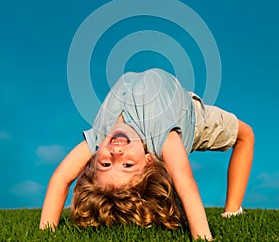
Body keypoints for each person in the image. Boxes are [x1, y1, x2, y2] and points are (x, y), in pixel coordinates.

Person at [39, 69, 254, 241]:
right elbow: (184, 182)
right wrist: (203, 237)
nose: (116, 153)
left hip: (170, 103)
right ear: (148, 160)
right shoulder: (163, 137)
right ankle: (232, 212)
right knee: (246, 136)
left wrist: (45, 234)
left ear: (94, 160)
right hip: (191, 117)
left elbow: (61, 178)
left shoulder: (99, 139)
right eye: (128, 165)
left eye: (105, 164)